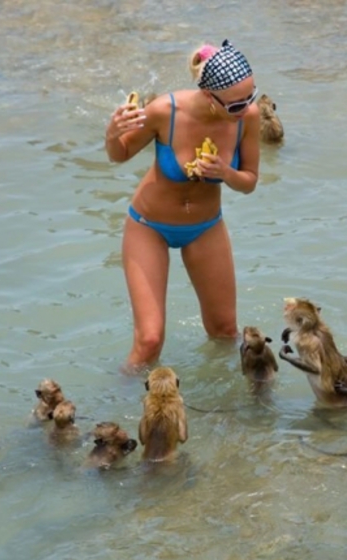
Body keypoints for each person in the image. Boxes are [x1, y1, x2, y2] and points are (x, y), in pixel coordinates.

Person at [104, 39, 260, 375]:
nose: (245, 107)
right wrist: (111, 134)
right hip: (149, 225)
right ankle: (121, 405)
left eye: (251, 96)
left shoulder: (247, 117)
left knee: (225, 331)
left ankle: (226, 409)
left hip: (205, 227)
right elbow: (119, 155)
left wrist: (225, 173)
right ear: (208, 95)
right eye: (235, 104)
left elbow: (249, 181)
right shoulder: (165, 111)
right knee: (149, 340)